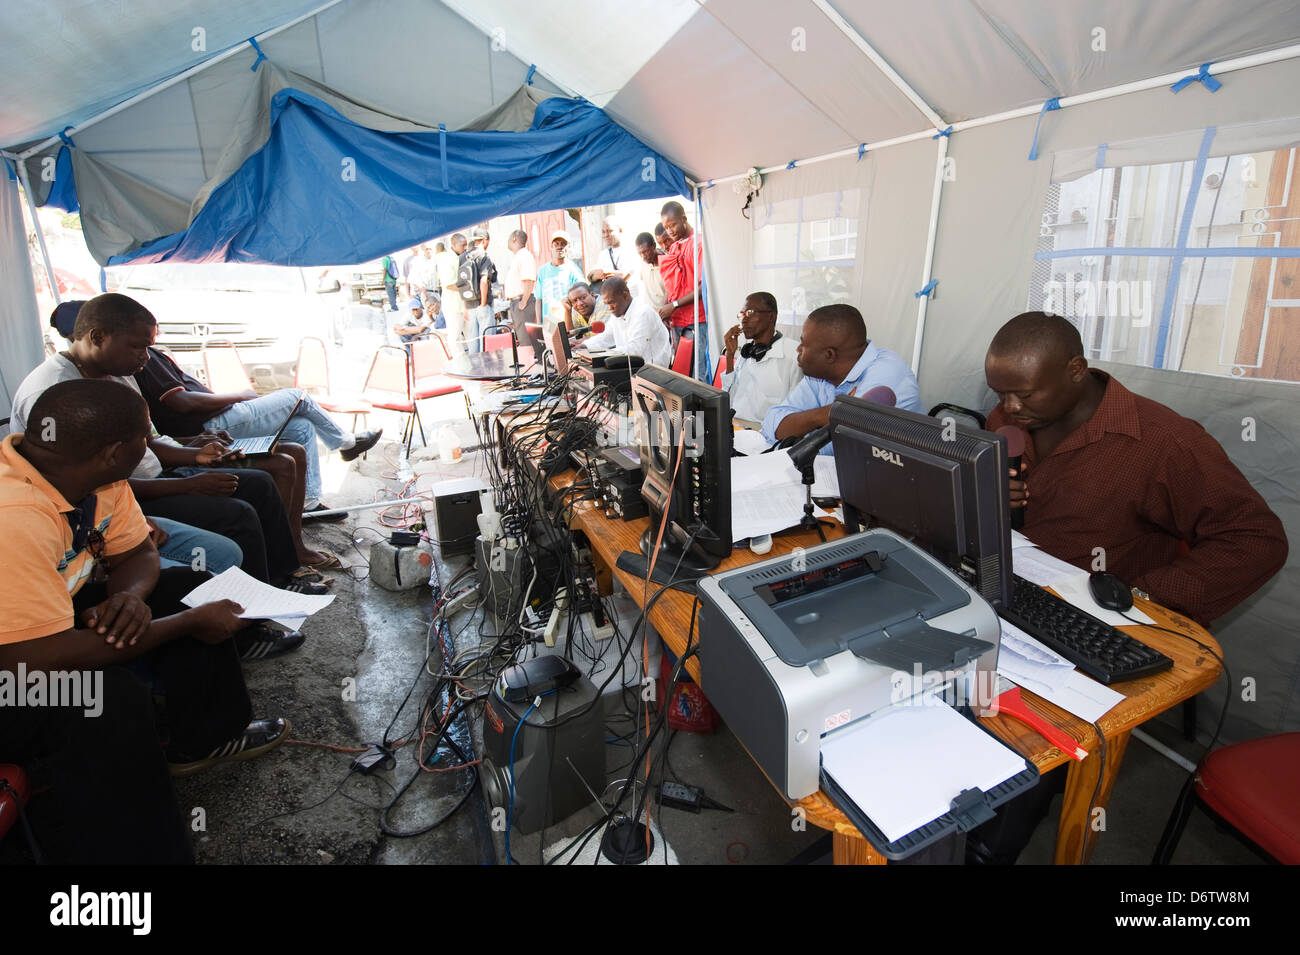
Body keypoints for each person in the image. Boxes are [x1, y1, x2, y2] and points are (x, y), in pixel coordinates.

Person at [0, 379, 290, 863]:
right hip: (15, 663)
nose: (152, 445)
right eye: (144, 438)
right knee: (105, 701)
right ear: (114, 452)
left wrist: (130, 598)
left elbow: (136, 550)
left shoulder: (92, 477)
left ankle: (207, 737)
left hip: (41, 614)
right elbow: (31, 660)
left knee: (179, 585)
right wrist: (186, 624)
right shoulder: (15, 515)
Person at [10, 296, 331, 624]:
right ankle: (248, 620)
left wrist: (197, 454)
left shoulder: (117, 373)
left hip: (149, 482)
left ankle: (278, 580)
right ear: (97, 337)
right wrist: (189, 485)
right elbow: (84, 486)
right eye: (137, 347)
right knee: (237, 516)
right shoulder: (55, 393)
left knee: (260, 482)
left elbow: (149, 442)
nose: (145, 358)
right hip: (126, 500)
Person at [984, 311, 1288, 627]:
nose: (1010, 407)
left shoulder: (1165, 441)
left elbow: (1256, 539)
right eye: (1000, 393)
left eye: (1026, 394)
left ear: (1076, 370)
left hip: (1099, 623)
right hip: (1011, 600)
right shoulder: (1007, 420)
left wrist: (1145, 598)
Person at [762, 303, 921, 453]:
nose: (798, 349)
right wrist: (822, 416)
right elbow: (771, 424)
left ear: (829, 355)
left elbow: (837, 451)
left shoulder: (886, 376)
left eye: (803, 344)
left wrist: (802, 429)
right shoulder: (820, 374)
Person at [721, 292, 803, 423]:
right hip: (735, 425)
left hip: (764, 434)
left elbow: (797, 410)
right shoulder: (747, 352)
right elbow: (728, 398)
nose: (744, 320)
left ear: (771, 316)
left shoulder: (793, 354)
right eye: (742, 314)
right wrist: (730, 357)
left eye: (750, 313)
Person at [657, 200, 710, 379]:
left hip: (697, 319)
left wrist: (675, 305)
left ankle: (700, 409)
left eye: (673, 225)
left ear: (684, 219)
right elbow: (671, 285)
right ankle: (686, 409)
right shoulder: (673, 246)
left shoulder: (699, 243)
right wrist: (667, 309)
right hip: (677, 321)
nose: (670, 231)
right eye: (666, 227)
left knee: (698, 374)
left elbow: (705, 287)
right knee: (681, 375)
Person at [573, 277, 672, 367]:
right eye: (606, 304)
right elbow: (607, 336)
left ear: (625, 295)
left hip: (654, 371)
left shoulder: (643, 312)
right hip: (632, 367)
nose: (609, 308)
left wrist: (599, 355)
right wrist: (586, 345)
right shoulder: (618, 313)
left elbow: (635, 349)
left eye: (612, 303)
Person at [535, 230, 586, 334]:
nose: (559, 247)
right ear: (551, 247)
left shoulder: (574, 270)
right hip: (549, 323)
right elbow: (538, 299)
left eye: (563, 244)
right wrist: (539, 323)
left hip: (568, 322)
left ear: (568, 247)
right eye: (556, 244)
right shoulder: (542, 271)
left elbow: (582, 295)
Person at [459, 228, 497, 355]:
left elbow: (462, 284)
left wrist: (465, 307)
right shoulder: (484, 256)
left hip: (469, 305)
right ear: (485, 240)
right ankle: (487, 371)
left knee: (473, 343)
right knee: (487, 343)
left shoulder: (463, 257)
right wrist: (483, 303)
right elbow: (484, 281)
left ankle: (475, 371)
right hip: (482, 304)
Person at [588, 215, 642, 302]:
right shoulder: (603, 254)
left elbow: (624, 275)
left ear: (620, 230)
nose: (606, 235)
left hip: (630, 301)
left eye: (610, 231)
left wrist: (604, 273)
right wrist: (596, 275)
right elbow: (591, 276)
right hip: (611, 303)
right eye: (603, 232)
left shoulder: (631, 250)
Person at [504, 229, 540, 352]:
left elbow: (529, 280)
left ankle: (530, 366)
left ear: (514, 238)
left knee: (527, 341)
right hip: (517, 302)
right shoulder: (518, 257)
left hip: (523, 302)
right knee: (522, 338)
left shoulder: (524, 256)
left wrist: (524, 301)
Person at [437, 234, 469, 360]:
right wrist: (468, 288)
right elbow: (449, 284)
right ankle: (460, 362)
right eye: (463, 245)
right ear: (454, 244)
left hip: (465, 304)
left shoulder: (461, 257)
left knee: (470, 335)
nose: (465, 248)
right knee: (455, 336)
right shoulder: (447, 259)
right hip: (453, 305)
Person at [635, 231, 668, 313]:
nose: (643, 256)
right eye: (640, 253)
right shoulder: (643, 263)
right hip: (649, 313)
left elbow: (671, 292)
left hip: (666, 313)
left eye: (645, 252)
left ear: (654, 246)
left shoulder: (667, 263)